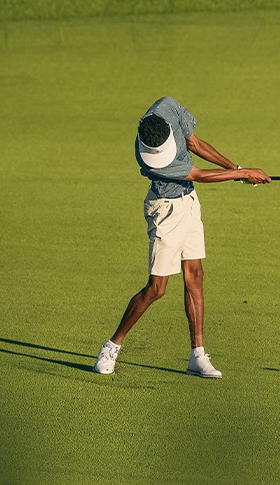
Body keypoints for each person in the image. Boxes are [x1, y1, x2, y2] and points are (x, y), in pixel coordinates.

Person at [95, 96, 270, 378]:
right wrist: (246, 173)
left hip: (189, 203)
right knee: (157, 289)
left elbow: (195, 144)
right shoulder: (150, 161)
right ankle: (111, 346)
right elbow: (198, 174)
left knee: (194, 274)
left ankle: (197, 356)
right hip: (165, 211)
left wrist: (236, 169)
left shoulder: (167, 107)